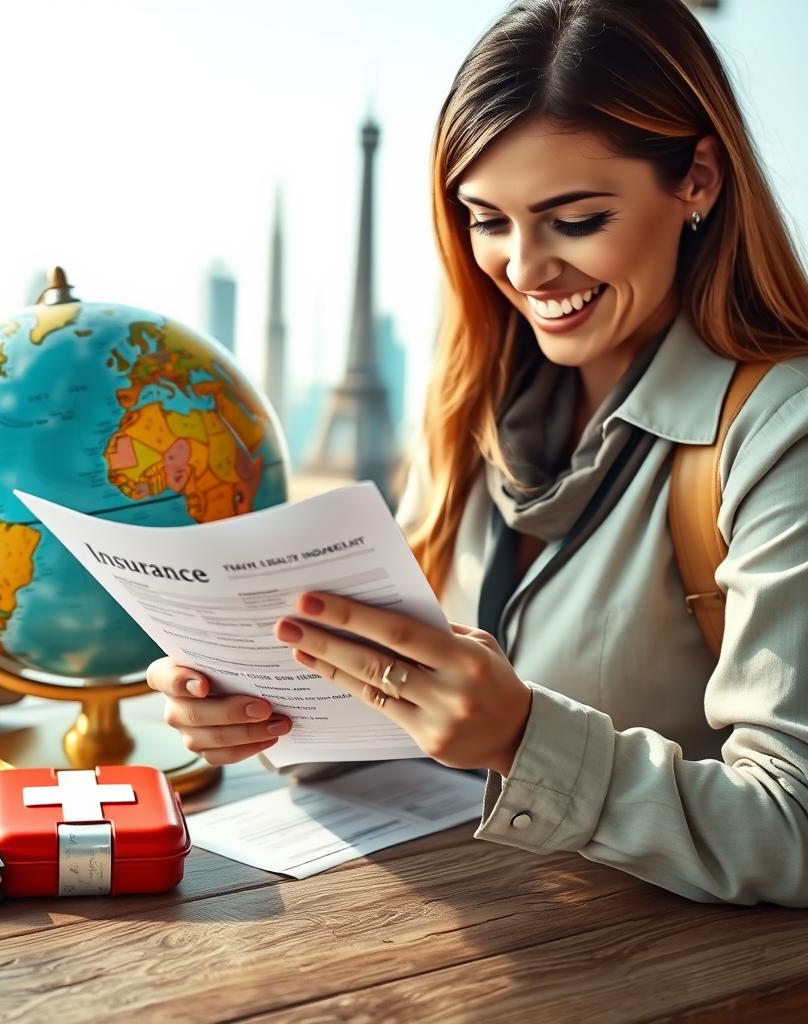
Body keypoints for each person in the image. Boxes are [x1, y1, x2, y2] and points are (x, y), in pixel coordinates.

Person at [146, 0, 808, 906]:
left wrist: (520, 737)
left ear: (697, 178)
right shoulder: (470, 407)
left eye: (577, 219)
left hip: (652, 959)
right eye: (488, 219)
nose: (524, 269)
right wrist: (264, 703)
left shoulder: (781, 433)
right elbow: (407, 718)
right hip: (457, 932)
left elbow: (793, 826)